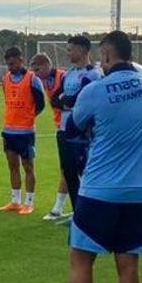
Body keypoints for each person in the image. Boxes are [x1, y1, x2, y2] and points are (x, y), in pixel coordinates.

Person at [44, 32, 142, 283]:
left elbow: (74, 128)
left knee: (81, 260)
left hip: (99, 189)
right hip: (138, 192)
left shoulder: (95, 90)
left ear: (106, 57)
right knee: (129, 265)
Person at [56, 35, 102, 214]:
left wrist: (66, 100)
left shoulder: (92, 74)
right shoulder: (68, 74)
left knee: (86, 173)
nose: (68, 53)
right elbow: (55, 99)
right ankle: (78, 212)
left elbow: (79, 100)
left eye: (70, 49)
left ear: (82, 50)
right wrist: (66, 100)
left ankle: (91, 211)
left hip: (82, 132)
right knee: (68, 172)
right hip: (63, 129)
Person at [0, 46, 45, 214]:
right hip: (9, 130)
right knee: (13, 166)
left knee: (28, 167)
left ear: (20, 60)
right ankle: (15, 201)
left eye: (12, 63)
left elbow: (40, 104)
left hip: (25, 132)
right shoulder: (5, 79)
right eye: (8, 64)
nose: (10, 67)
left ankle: (29, 202)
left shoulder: (33, 79)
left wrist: (28, 118)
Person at [31, 53, 71, 222]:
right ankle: (59, 208)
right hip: (60, 127)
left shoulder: (64, 76)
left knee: (74, 169)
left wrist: (59, 102)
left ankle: (61, 208)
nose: (36, 73)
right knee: (66, 169)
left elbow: (64, 100)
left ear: (47, 65)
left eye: (38, 69)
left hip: (71, 127)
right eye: (34, 70)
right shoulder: (45, 81)